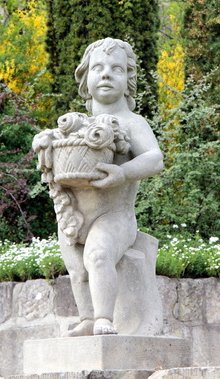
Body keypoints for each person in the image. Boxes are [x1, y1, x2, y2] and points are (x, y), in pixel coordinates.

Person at [59, 38, 163, 336]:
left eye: (116, 69)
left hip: (115, 214)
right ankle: (87, 318)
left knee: (99, 255)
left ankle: (105, 318)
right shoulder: (77, 126)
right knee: (78, 270)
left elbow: (155, 159)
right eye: (98, 68)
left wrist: (122, 171)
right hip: (74, 214)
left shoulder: (132, 122)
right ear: (85, 77)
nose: (106, 74)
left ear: (128, 80)